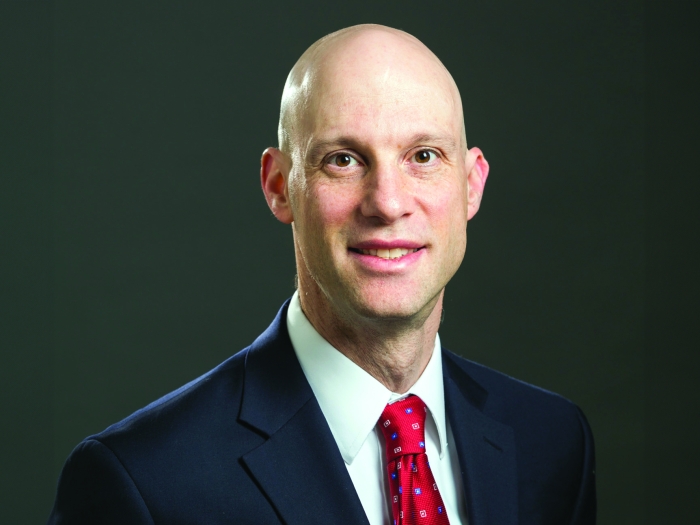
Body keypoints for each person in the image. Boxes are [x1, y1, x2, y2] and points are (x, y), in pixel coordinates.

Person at [48, 24, 595, 525]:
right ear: (279, 186)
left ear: (471, 185)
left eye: (423, 156)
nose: (387, 203)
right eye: (343, 159)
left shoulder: (551, 441)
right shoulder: (143, 483)